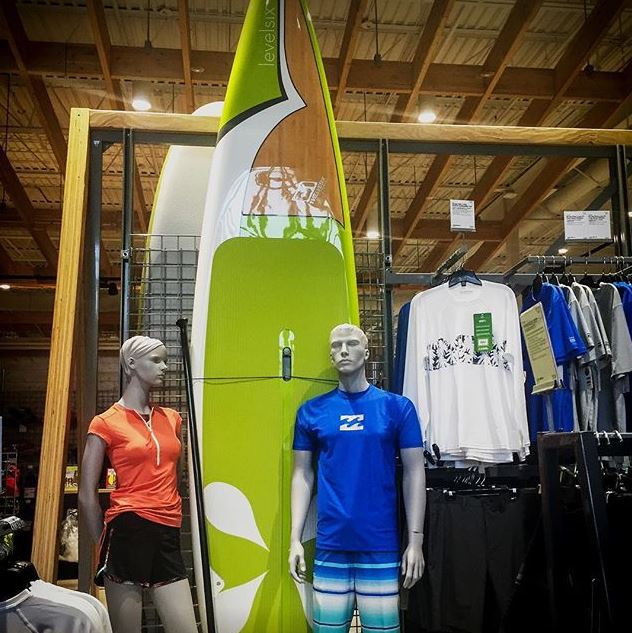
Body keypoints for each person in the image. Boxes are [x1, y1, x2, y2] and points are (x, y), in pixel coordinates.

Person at [289, 323, 426, 633]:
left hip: (380, 544)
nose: (343, 350)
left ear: (367, 352)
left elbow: (415, 472)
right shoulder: (311, 412)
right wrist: (294, 539)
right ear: (330, 355)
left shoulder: (397, 408)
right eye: (336, 345)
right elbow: (302, 474)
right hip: (331, 543)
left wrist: (415, 541)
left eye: (351, 343)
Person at [79, 336, 197, 633]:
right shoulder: (106, 422)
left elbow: (176, 476)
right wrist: (102, 545)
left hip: (167, 531)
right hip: (128, 530)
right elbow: (86, 495)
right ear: (131, 364)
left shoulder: (171, 419)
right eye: (156, 360)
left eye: (165, 360)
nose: (164, 367)